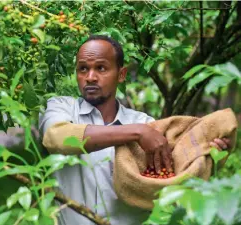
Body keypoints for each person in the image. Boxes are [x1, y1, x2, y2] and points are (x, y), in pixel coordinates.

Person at [39, 35, 230, 225]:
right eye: (83, 69)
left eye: (101, 68)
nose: (90, 77)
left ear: (121, 74)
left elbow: (174, 173)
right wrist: (136, 132)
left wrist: (209, 155)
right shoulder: (61, 107)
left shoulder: (146, 124)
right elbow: (55, 137)